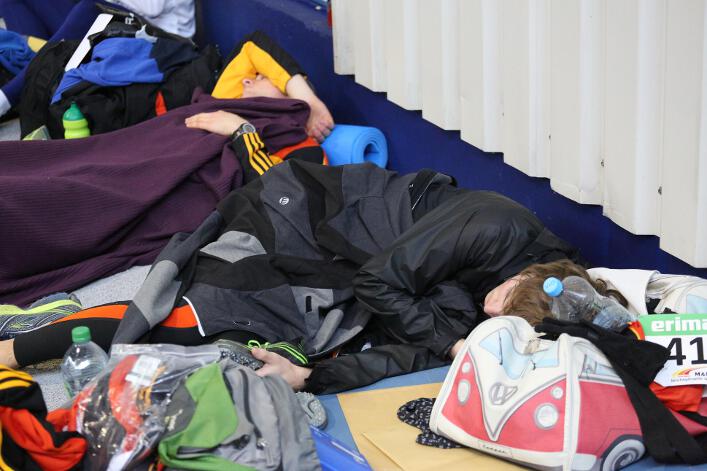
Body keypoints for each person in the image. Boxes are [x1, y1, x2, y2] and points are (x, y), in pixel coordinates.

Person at [0, 145, 595, 394]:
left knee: (247, 350)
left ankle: (64, 316)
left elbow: (408, 355)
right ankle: (17, 348)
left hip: (339, 273)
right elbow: (381, 283)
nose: (492, 308)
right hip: (305, 216)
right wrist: (452, 340)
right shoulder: (496, 224)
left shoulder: (509, 314)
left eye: (500, 318)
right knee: (193, 318)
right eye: (503, 297)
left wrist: (310, 379)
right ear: (526, 273)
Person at [0, 0, 197, 119]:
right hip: (116, 21)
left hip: (161, 38)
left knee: (89, 7)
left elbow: (152, 6)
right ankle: (36, 81)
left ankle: (8, 96)